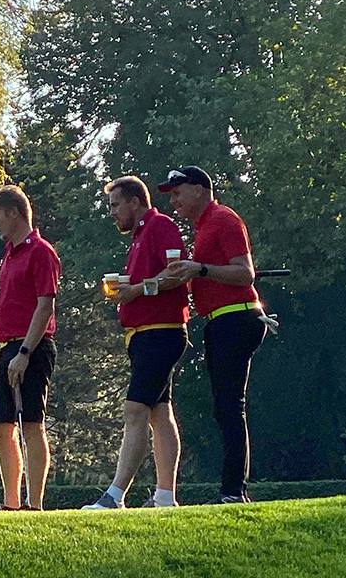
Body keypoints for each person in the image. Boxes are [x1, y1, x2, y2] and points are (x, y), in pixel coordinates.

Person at [160, 166, 267, 503]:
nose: (173, 201)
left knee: (230, 406)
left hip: (237, 317)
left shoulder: (223, 219)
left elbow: (245, 274)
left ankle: (234, 491)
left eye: (178, 193)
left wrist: (201, 269)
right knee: (225, 407)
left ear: (199, 189)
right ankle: (232, 489)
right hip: (221, 321)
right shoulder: (203, 226)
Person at [83, 176, 189, 509]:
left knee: (134, 410)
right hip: (145, 334)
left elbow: (178, 272)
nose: (112, 213)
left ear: (134, 202)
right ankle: (165, 497)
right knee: (159, 413)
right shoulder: (141, 234)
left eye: (115, 205)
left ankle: (115, 496)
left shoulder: (160, 226)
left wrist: (138, 290)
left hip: (160, 331)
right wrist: (130, 292)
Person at [0, 185, 60, 511]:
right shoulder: (9, 253)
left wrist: (25, 354)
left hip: (33, 346)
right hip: (6, 347)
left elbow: (45, 307)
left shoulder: (41, 252)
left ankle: (35, 504)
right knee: (0, 428)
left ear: (14, 213)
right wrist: (0, 354)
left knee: (31, 423)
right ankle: (11, 504)